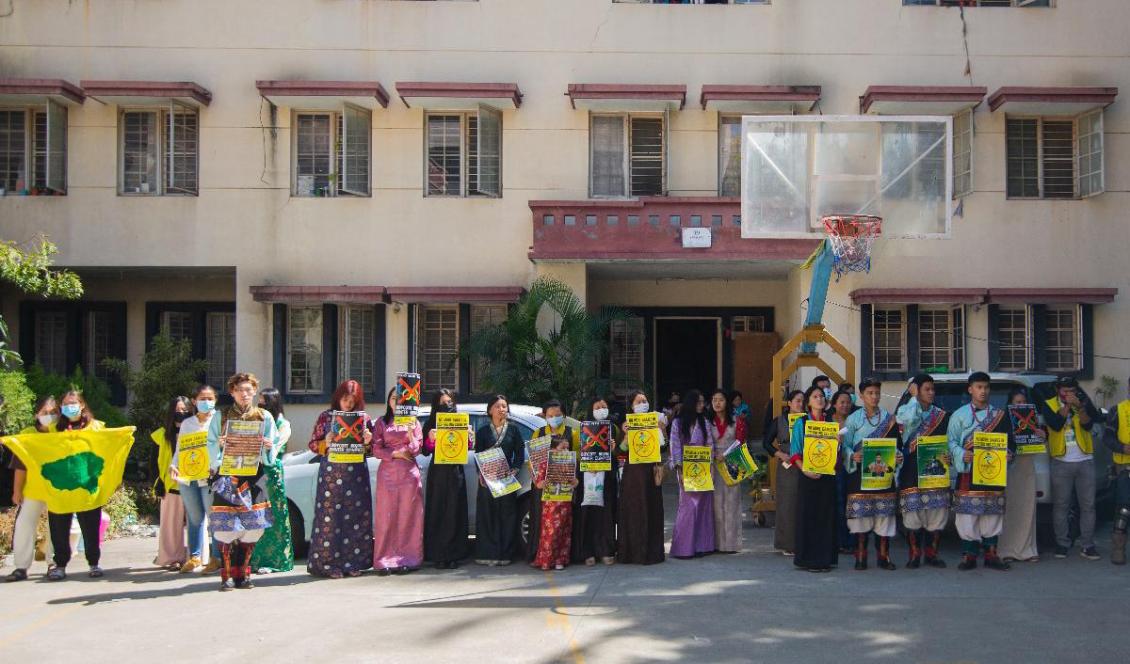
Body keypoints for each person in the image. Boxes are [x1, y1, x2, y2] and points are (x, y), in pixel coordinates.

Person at [207, 373, 278, 591]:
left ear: (255, 391)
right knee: (226, 529)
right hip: (227, 475)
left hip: (253, 476)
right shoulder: (221, 416)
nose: (244, 394)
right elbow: (209, 444)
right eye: (239, 390)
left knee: (254, 526)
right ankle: (226, 575)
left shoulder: (264, 416)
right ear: (232, 392)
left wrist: (268, 446)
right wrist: (219, 448)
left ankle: (243, 573)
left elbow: (272, 445)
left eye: (248, 390)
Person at [306, 380, 374, 579]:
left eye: (353, 400)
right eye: (345, 399)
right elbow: (312, 444)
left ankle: (354, 562)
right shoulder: (326, 417)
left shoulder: (364, 418)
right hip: (331, 475)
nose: (348, 404)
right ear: (338, 398)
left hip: (356, 475)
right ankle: (326, 564)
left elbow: (372, 449)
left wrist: (369, 441)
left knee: (356, 519)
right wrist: (324, 442)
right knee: (329, 519)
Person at [947, 371, 1015, 571]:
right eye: (979, 387)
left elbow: (1010, 442)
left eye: (986, 387)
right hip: (968, 472)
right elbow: (950, 442)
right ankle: (969, 554)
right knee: (968, 514)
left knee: (992, 512)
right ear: (970, 390)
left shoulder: (999, 415)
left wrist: (1009, 453)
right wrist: (960, 453)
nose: (983, 391)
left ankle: (991, 554)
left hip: (993, 472)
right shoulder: (959, 415)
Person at [841, 378, 903, 571]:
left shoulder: (889, 418)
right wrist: (853, 455)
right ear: (861, 396)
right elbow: (844, 446)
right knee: (860, 517)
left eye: (877, 393)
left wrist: (898, 457)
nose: (874, 397)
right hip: (860, 475)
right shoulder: (853, 419)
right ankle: (860, 556)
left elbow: (897, 446)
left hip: (883, 476)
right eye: (870, 393)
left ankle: (884, 556)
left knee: (884, 515)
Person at [46, 390, 106, 581]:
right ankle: (60, 565)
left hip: (87, 484)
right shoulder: (54, 429)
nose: (69, 407)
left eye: (73, 403)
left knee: (90, 526)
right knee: (59, 527)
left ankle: (94, 562)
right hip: (60, 486)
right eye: (65, 403)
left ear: (82, 405)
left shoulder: (96, 427)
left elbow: (106, 449)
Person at [1038, 376, 1101, 561]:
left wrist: (1080, 406)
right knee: (1061, 505)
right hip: (1061, 461)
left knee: (1088, 505)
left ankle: (1087, 545)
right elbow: (1056, 425)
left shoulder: (1083, 400)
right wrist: (1066, 406)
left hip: (1084, 459)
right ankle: (1062, 544)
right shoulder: (1049, 404)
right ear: (1058, 390)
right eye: (1064, 390)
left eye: (1071, 390)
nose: (1068, 393)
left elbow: (1089, 424)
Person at [896, 374, 951, 569]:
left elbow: (950, 442)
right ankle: (914, 554)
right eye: (926, 389)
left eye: (932, 389)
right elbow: (910, 420)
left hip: (935, 470)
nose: (931, 393)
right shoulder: (905, 410)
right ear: (916, 390)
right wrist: (912, 398)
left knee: (936, 513)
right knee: (912, 512)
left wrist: (950, 456)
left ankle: (932, 553)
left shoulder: (942, 415)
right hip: (911, 469)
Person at [4, 396, 58, 582]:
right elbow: (20, 466)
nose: (49, 416)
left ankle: (54, 564)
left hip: (57, 490)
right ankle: (21, 567)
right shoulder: (27, 434)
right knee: (24, 526)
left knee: (56, 528)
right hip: (32, 490)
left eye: (53, 413)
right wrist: (17, 490)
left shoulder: (61, 433)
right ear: (37, 414)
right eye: (45, 412)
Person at [372, 387, 424, 575]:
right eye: (393, 398)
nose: (397, 402)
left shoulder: (415, 423)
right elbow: (376, 449)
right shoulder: (381, 422)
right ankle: (384, 560)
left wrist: (410, 432)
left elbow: (417, 449)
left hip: (409, 474)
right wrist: (395, 453)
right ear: (388, 401)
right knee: (386, 517)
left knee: (408, 517)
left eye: (400, 400)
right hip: (387, 474)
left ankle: (407, 559)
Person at [421, 389, 473, 569]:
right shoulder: (429, 423)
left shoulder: (460, 421)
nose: (446, 406)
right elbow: (425, 451)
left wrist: (469, 436)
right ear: (436, 405)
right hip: (438, 473)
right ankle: (438, 555)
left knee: (454, 513)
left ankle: (454, 555)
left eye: (449, 402)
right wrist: (430, 438)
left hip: (455, 472)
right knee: (437, 512)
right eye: (442, 403)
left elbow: (466, 447)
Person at [790, 386, 837, 572]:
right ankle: (808, 559)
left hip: (827, 475)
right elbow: (795, 451)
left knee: (826, 516)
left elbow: (835, 451)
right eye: (815, 396)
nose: (819, 399)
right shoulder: (802, 422)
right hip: (808, 476)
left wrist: (838, 444)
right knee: (809, 516)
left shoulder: (830, 422)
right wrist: (805, 471)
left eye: (822, 396)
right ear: (808, 401)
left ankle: (825, 559)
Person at [173, 384, 219, 574]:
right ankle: (195, 556)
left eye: (210, 398)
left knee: (214, 518)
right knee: (194, 518)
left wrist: (215, 466)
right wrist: (174, 464)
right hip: (188, 476)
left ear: (215, 400)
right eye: (202, 398)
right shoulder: (187, 423)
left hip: (209, 477)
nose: (206, 402)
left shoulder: (220, 421)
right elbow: (180, 449)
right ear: (194, 401)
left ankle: (216, 558)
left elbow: (224, 450)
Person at [474, 394, 524, 566]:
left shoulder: (513, 430)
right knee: (488, 515)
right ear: (490, 410)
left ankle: (505, 554)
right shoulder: (482, 432)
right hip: (487, 480)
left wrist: (514, 470)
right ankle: (488, 553)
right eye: (498, 406)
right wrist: (480, 474)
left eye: (504, 406)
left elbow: (519, 453)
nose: (502, 409)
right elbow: (477, 455)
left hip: (506, 478)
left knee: (507, 515)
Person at [617, 390, 666, 565]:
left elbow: (662, 448)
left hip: (651, 473)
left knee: (652, 510)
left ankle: (652, 553)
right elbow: (620, 451)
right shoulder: (626, 425)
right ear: (631, 406)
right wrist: (626, 436)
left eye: (644, 401)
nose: (642, 404)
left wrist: (661, 431)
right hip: (633, 475)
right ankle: (632, 553)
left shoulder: (655, 421)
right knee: (634, 510)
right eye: (638, 402)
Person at [528, 400, 580, 563]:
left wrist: (574, 479)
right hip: (544, 487)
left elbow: (577, 458)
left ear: (564, 416)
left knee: (565, 524)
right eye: (550, 415)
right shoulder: (539, 433)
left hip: (565, 486)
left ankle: (562, 557)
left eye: (558, 415)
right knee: (542, 523)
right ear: (545, 416)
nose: (554, 418)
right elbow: (533, 461)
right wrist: (537, 481)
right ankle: (542, 556)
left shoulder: (572, 433)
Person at [249, 387, 294, 573]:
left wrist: (269, 444)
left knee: (274, 515)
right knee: (256, 515)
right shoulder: (256, 419)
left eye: (264, 401)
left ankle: (274, 560)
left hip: (272, 473)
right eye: (259, 401)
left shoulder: (283, 424)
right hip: (254, 470)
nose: (260, 405)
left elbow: (276, 447)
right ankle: (254, 559)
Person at [668, 389, 716, 559]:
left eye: (703, 402)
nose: (702, 405)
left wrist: (710, 467)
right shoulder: (678, 423)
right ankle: (683, 548)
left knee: (703, 506)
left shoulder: (705, 422)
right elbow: (675, 446)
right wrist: (679, 470)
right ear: (691, 403)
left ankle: (702, 546)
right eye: (699, 402)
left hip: (703, 468)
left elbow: (710, 444)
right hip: (686, 469)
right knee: (688, 507)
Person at [998, 386, 1043, 563]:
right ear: (1010, 403)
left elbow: (1039, 443)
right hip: (1010, 468)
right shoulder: (1003, 420)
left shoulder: (1033, 419)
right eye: (1017, 402)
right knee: (1009, 508)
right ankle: (1006, 550)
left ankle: (1027, 549)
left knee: (1027, 508)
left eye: (1024, 402)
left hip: (1027, 469)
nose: (1021, 405)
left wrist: (1041, 435)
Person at [572, 396, 618, 566]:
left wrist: (612, 449)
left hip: (607, 476)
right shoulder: (582, 429)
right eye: (597, 407)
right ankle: (587, 551)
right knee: (587, 513)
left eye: (604, 406)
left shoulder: (613, 428)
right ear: (591, 410)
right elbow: (577, 453)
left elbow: (619, 452)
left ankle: (606, 550)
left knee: (606, 513)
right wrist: (586, 465)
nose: (601, 409)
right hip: (588, 475)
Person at [763, 389, 804, 556]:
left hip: (805, 461)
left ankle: (803, 541)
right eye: (797, 401)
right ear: (789, 403)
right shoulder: (779, 421)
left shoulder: (808, 420)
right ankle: (787, 543)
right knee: (787, 503)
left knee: (803, 503)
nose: (800, 404)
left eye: (803, 401)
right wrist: (780, 454)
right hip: (787, 463)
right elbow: (766, 442)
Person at [152, 396, 191, 571]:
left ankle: (194, 556)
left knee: (196, 524)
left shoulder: (196, 432)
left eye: (185, 410)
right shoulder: (161, 434)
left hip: (194, 485)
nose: (181, 413)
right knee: (170, 525)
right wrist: (157, 482)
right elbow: (154, 461)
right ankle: (171, 557)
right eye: (177, 410)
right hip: (170, 486)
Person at [532, 434, 579, 571]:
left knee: (564, 531)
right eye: (561, 448)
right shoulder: (544, 463)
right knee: (550, 531)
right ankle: (546, 560)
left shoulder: (569, 462)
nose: (565, 451)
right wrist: (546, 481)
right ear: (552, 449)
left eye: (567, 448)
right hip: (550, 503)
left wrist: (573, 481)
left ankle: (560, 559)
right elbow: (538, 484)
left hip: (565, 501)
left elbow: (575, 482)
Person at [710, 388, 745, 554]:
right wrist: (713, 454)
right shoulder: (707, 421)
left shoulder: (736, 420)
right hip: (713, 464)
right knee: (716, 504)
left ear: (727, 402)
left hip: (733, 463)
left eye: (721, 399)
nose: (717, 403)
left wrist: (726, 454)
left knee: (732, 504)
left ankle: (732, 544)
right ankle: (716, 543)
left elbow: (740, 441)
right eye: (714, 400)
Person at [1104, 377, 1130, 565]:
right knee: (1123, 510)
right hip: (1124, 469)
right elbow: (1107, 438)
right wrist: (1122, 448)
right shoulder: (1118, 410)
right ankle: (1118, 550)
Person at [829, 389, 855, 553]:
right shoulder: (827, 422)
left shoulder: (855, 421)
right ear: (834, 404)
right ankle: (839, 541)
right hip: (836, 468)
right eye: (842, 402)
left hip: (853, 468)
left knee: (852, 504)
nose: (845, 405)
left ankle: (852, 541)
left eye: (848, 402)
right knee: (838, 504)